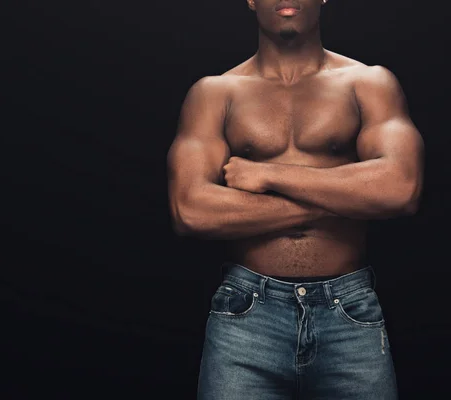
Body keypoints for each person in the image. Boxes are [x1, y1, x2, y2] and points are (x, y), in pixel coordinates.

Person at [166, 0, 424, 398]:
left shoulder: (368, 83)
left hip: (349, 312)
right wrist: (341, 198)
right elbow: (191, 210)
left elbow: (400, 187)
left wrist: (269, 174)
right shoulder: (215, 93)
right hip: (246, 314)